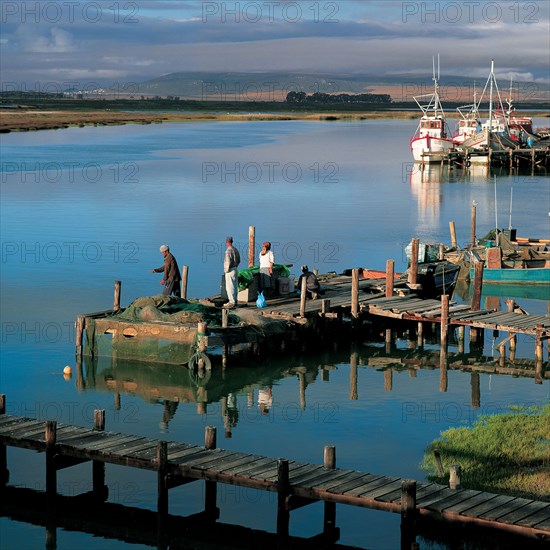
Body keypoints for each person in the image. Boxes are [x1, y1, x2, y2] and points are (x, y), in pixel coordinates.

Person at [223, 236, 240, 307]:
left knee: (230, 286)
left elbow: (228, 261)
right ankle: (235, 300)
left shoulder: (228, 250)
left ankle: (231, 302)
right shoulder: (235, 249)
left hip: (230, 270)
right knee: (235, 285)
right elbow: (239, 260)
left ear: (227, 242)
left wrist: (226, 270)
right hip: (235, 268)